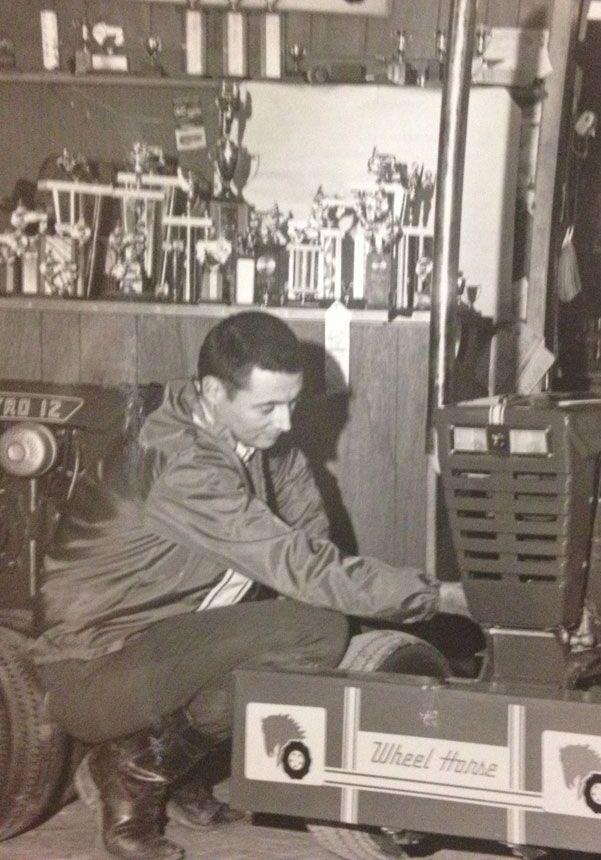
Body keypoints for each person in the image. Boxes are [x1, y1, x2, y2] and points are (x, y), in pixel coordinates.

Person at [30, 310, 469, 860]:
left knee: (305, 634)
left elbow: (314, 551)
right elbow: (303, 568)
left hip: (170, 644)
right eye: (267, 406)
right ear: (213, 392)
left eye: (292, 403)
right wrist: (440, 596)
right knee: (314, 630)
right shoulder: (180, 463)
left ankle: (161, 762)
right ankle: (134, 773)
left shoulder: (270, 446)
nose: (286, 423)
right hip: (94, 667)